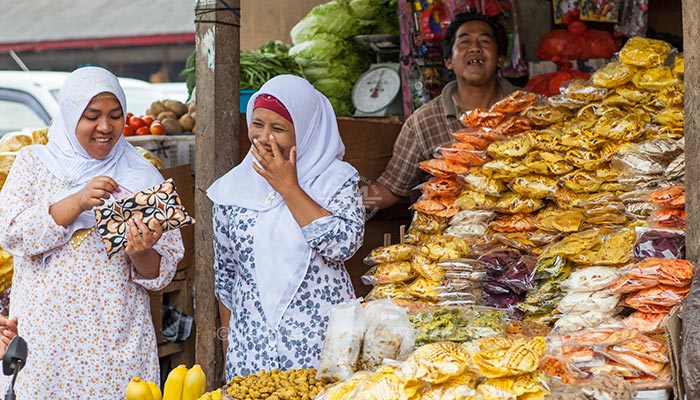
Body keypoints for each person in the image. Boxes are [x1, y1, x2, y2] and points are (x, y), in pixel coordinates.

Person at [0, 66, 184, 398]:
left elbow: (163, 272)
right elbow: (13, 234)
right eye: (92, 116)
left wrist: (140, 250)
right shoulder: (34, 163)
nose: (105, 127)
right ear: (70, 115)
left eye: (115, 116)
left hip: (114, 346)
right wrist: (78, 201)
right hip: (44, 348)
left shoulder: (141, 177)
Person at [207, 75, 365, 379]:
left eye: (278, 128)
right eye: (257, 124)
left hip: (321, 350)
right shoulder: (232, 190)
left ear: (305, 131)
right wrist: (231, 350)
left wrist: (289, 188)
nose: (264, 138)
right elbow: (226, 279)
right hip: (252, 354)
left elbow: (344, 245)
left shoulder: (335, 180)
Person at [365, 12, 519, 211]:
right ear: (448, 61)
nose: (474, 48)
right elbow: (391, 187)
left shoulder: (530, 110)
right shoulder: (423, 121)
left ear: (499, 59)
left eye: (484, 41)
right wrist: (340, 208)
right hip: (450, 236)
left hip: (521, 233)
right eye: (464, 42)